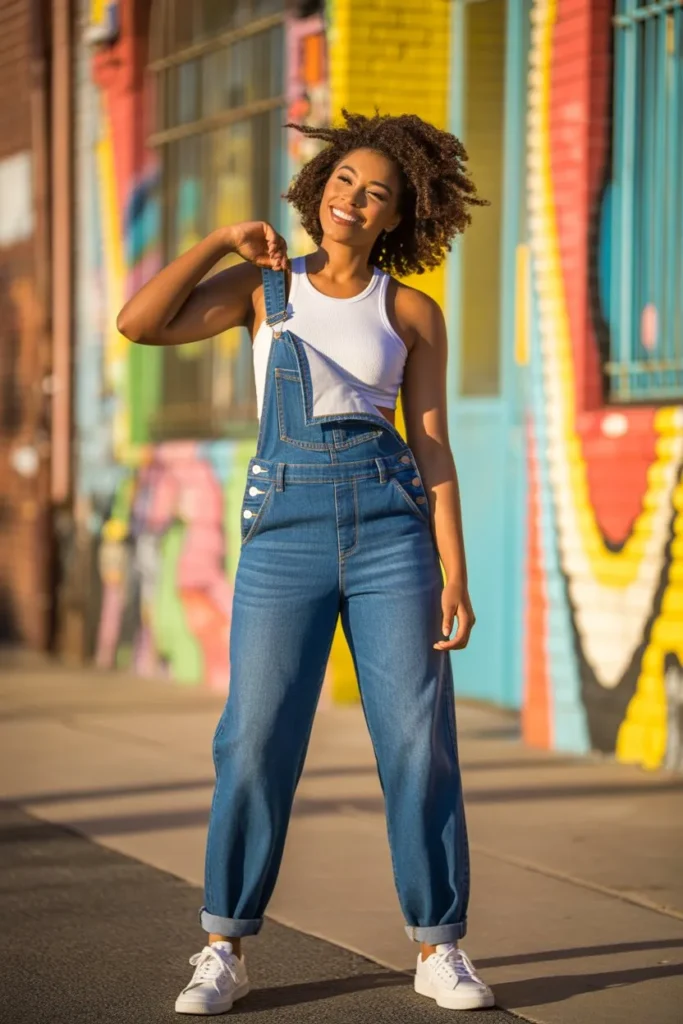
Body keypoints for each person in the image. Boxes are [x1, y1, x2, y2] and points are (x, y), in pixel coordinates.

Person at [117, 110, 493, 1015]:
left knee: (415, 740)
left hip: (389, 530)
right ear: (318, 187)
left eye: (377, 194)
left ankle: (439, 947)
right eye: (342, 183)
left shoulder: (409, 311)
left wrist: (455, 572)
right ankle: (223, 946)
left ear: (399, 215)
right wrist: (216, 239)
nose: (353, 201)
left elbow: (432, 449)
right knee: (253, 739)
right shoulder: (263, 285)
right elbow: (139, 323)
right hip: (281, 534)